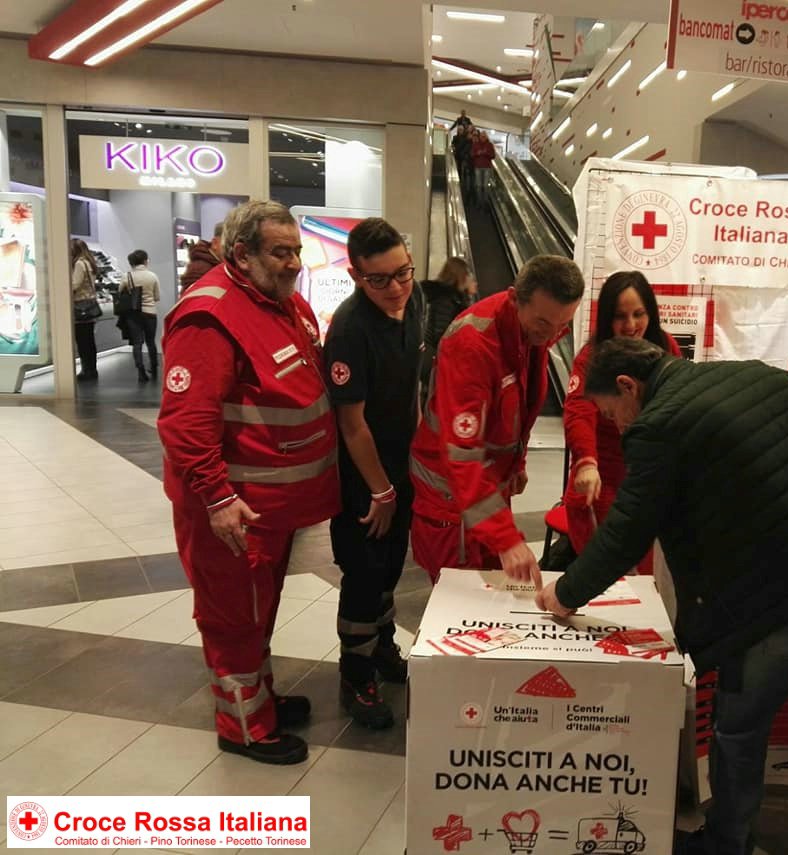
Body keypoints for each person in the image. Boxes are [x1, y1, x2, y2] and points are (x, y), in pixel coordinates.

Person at [535, 338, 788, 855]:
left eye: (609, 412)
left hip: (779, 600)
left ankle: (726, 844)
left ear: (628, 385)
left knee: (740, 732)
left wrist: (565, 595)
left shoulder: (658, 425)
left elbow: (627, 532)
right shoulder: (754, 373)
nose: (615, 426)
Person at [157, 200, 340, 765]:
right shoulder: (210, 317)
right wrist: (217, 496)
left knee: (257, 608)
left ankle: (260, 699)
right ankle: (244, 727)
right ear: (243, 254)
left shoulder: (277, 302)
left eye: (296, 251)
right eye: (280, 252)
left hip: (269, 508)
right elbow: (186, 421)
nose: (293, 263)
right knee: (232, 616)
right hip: (232, 511)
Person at [410, 255, 585, 584]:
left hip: (483, 494)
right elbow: (461, 455)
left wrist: (516, 462)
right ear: (515, 297)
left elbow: (519, 407)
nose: (553, 334)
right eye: (545, 324)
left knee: (489, 609)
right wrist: (506, 539)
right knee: (456, 616)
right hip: (452, 500)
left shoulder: (528, 334)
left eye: (564, 324)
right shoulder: (473, 345)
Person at [324, 218, 424, 730]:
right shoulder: (349, 329)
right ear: (355, 275)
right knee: (363, 573)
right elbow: (352, 423)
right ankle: (355, 673)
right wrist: (380, 490)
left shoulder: (415, 301)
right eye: (379, 280)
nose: (396, 288)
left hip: (400, 469)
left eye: (402, 272)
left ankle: (382, 646)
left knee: (389, 567)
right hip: (364, 479)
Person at [563, 272, 682, 566]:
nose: (630, 326)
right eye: (620, 316)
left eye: (638, 314)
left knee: (645, 575)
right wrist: (587, 462)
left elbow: (679, 407)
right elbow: (579, 411)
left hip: (648, 477)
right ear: (606, 318)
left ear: (650, 313)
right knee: (604, 571)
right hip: (601, 478)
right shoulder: (591, 356)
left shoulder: (666, 347)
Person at [420, 256, 477, 403]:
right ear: (460, 275)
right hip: (435, 358)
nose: (471, 278)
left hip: (440, 358)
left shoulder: (457, 298)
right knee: (435, 401)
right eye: (468, 274)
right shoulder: (445, 299)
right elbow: (442, 332)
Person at [120, 249, 161, 383]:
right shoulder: (152, 276)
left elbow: (120, 292)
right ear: (145, 260)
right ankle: (154, 367)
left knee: (137, 343)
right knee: (151, 342)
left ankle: (141, 371)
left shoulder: (127, 277)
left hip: (133, 314)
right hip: (150, 313)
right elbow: (156, 297)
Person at [71, 238, 100, 382]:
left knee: (82, 342)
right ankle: (92, 369)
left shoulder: (79, 264)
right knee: (89, 341)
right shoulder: (89, 263)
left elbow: (75, 285)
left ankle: (86, 370)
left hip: (80, 307)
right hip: (89, 306)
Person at [179, 222, 223, 293]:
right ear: (215, 243)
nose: (231, 249)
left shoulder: (212, 264)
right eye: (228, 244)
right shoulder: (200, 269)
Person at [471, 130, 496, 205]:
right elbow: (472, 154)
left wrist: (486, 153)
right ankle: (479, 201)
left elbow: (493, 155)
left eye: (484, 136)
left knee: (485, 186)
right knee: (478, 186)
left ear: (486, 137)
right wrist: (477, 153)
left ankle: (485, 201)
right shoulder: (475, 144)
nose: (483, 138)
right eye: (481, 136)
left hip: (487, 167)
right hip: (478, 167)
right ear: (479, 137)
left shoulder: (490, 145)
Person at [452, 125, 474, 202]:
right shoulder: (458, 138)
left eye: (462, 129)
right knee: (461, 171)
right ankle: (462, 187)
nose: (460, 131)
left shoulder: (471, 141)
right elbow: (455, 147)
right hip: (461, 158)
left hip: (468, 161)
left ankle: (468, 194)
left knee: (467, 176)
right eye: (459, 130)